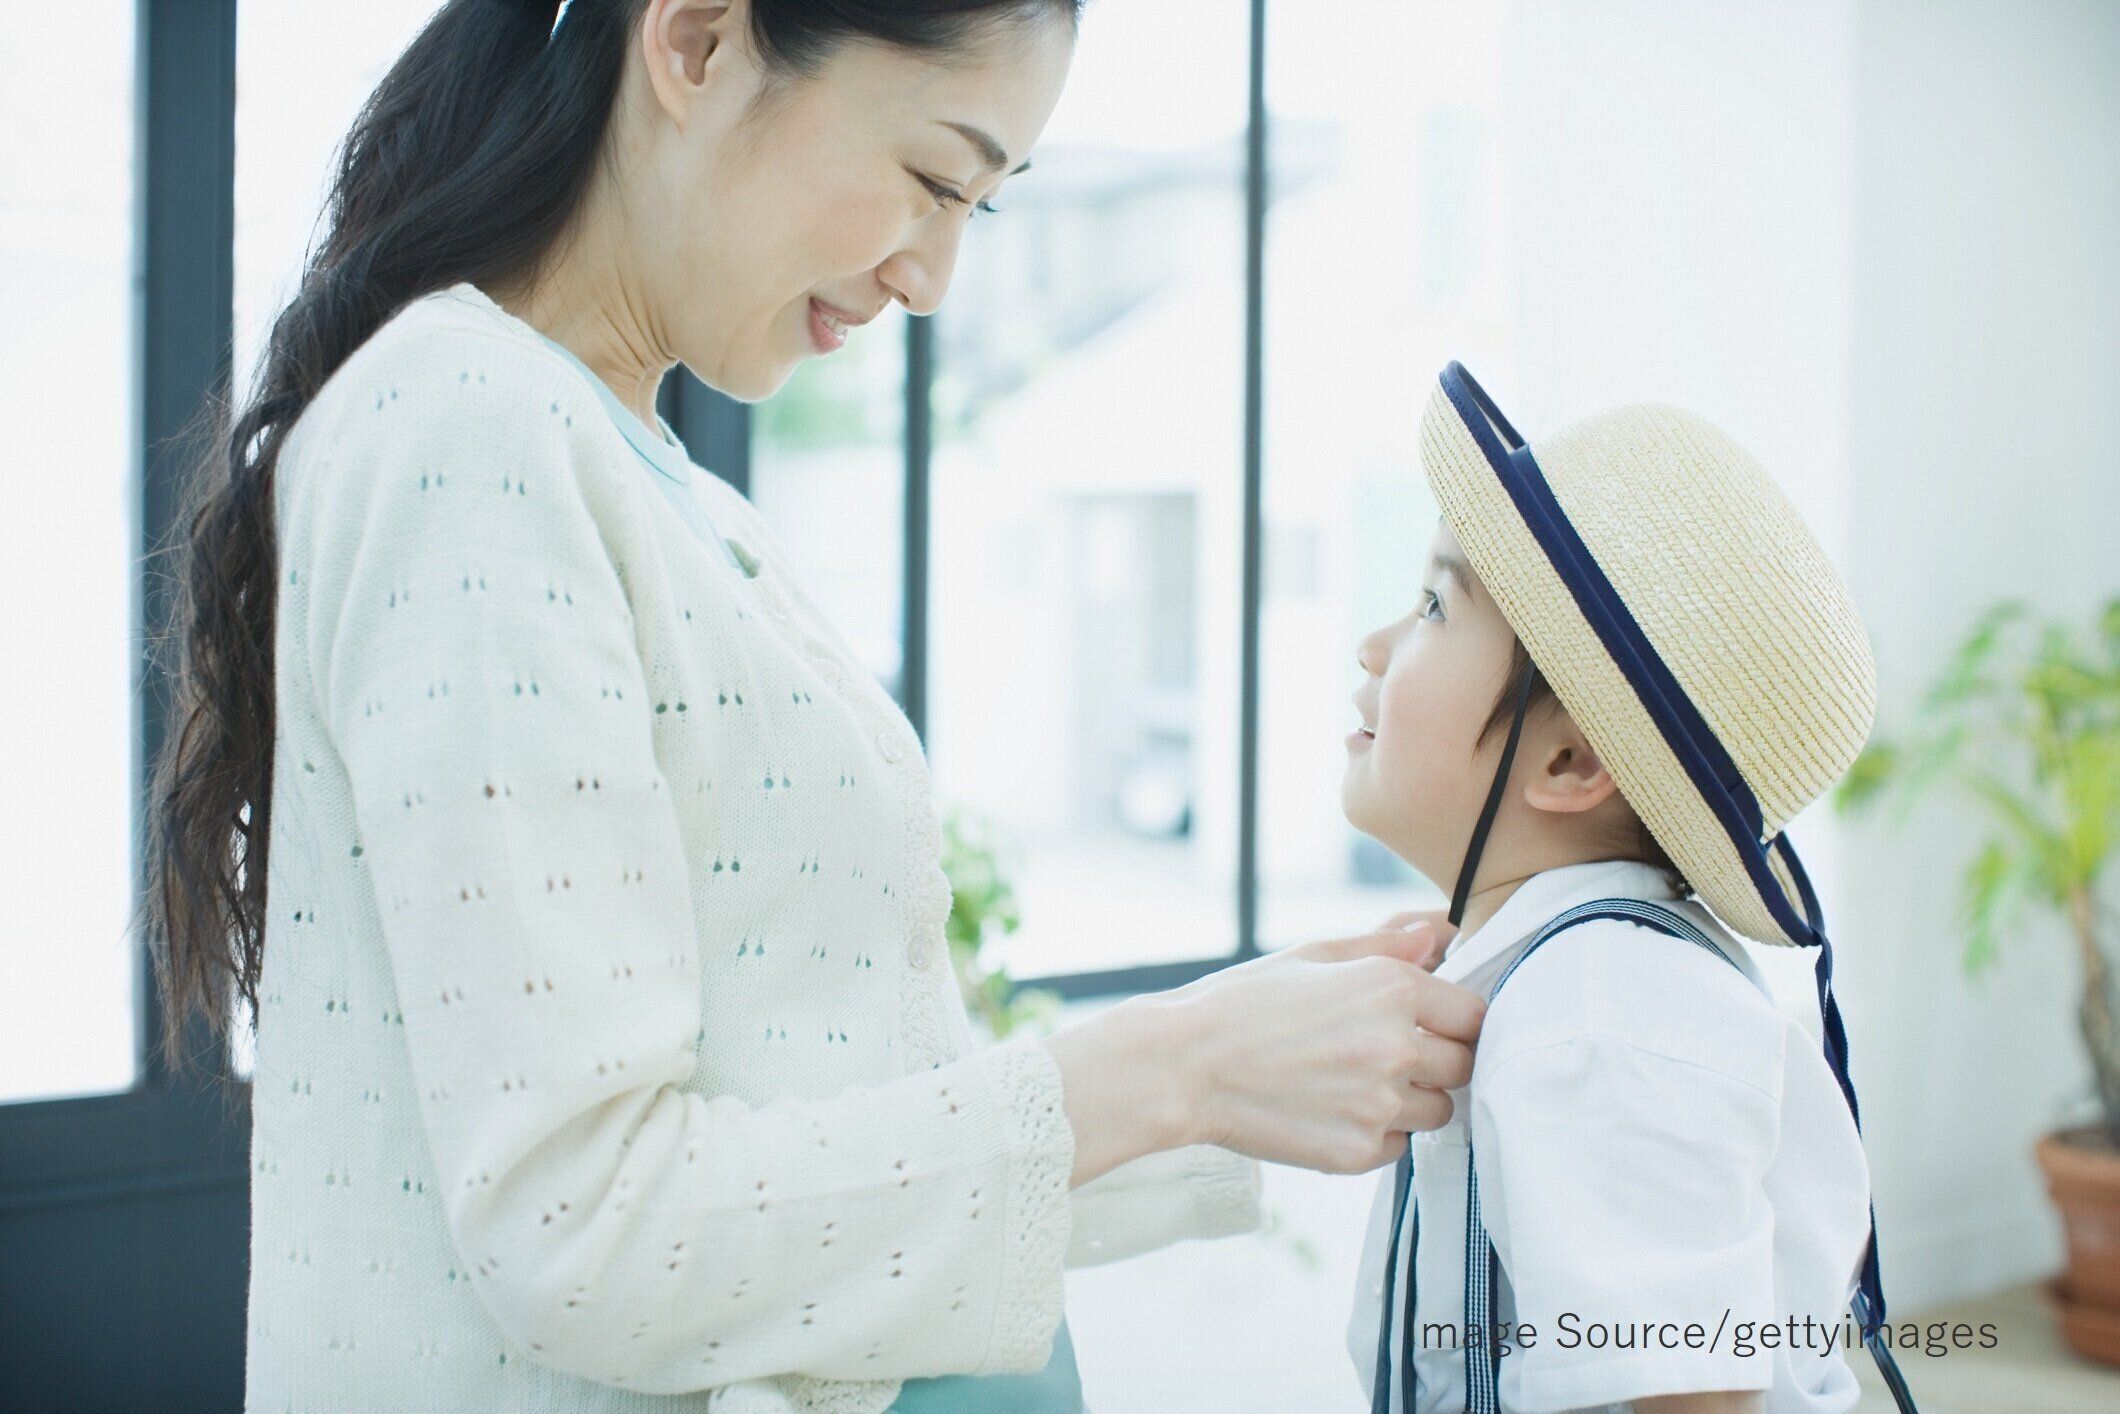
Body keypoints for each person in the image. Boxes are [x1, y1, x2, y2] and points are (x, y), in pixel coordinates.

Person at [138, 3, 1486, 1411]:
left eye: (982, 207)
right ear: (702, 41)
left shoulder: (658, 484)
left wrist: (1241, 1054)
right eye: (934, 180)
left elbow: (834, 1162)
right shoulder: (470, 431)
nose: (934, 275)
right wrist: (1177, 1069)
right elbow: (587, 1234)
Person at [1341, 362, 1904, 1413]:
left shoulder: (1595, 1019)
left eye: (1429, 606)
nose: (1369, 645)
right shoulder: (1566, 984)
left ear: (1565, 765)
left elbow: (1685, 1398)